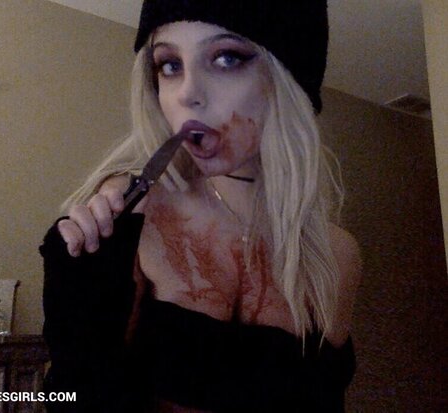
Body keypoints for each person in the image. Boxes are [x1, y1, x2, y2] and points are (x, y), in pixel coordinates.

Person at [40, 0, 363, 412]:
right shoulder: (133, 210)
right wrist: (77, 328)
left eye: (227, 58)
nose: (187, 93)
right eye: (169, 65)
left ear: (289, 80)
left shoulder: (336, 254)